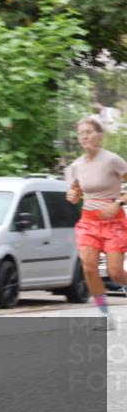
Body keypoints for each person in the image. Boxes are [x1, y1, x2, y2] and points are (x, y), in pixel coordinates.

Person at [65, 117, 127, 331]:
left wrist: (118, 202)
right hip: (89, 222)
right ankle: (105, 316)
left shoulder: (112, 160)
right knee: (89, 268)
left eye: (90, 131)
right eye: (81, 133)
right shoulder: (75, 166)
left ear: (99, 135)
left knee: (116, 273)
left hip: (113, 221)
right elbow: (75, 191)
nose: (85, 136)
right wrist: (73, 195)